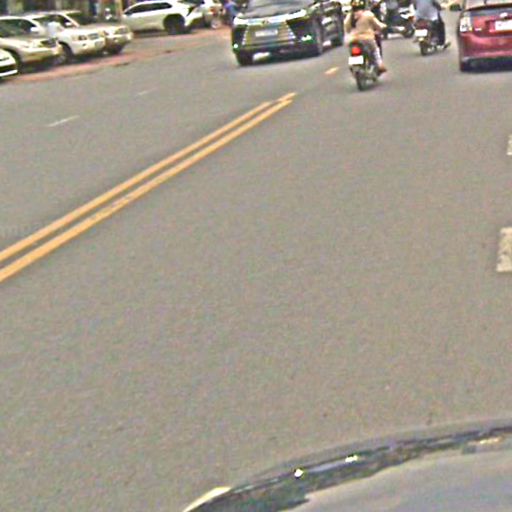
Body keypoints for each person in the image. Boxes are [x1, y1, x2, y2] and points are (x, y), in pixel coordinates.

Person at [344, 0, 388, 73]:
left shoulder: (349, 16)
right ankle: (380, 65)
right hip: (367, 39)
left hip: (353, 39)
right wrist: (383, 26)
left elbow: (347, 28)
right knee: (375, 51)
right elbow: (377, 25)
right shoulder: (368, 15)